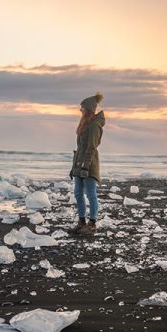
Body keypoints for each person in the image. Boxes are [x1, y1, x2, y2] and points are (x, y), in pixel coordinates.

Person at [69, 93, 105, 234]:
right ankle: (82, 221)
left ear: (89, 109)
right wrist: (75, 167)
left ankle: (92, 224)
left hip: (89, 165)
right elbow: (80, 148)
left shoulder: (95, 125)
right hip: (79, 163)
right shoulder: (84, 123)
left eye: (82, 108)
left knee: (91, 194)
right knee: (78, 193)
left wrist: (85, 166)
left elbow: (91, 147)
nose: (80, 110)